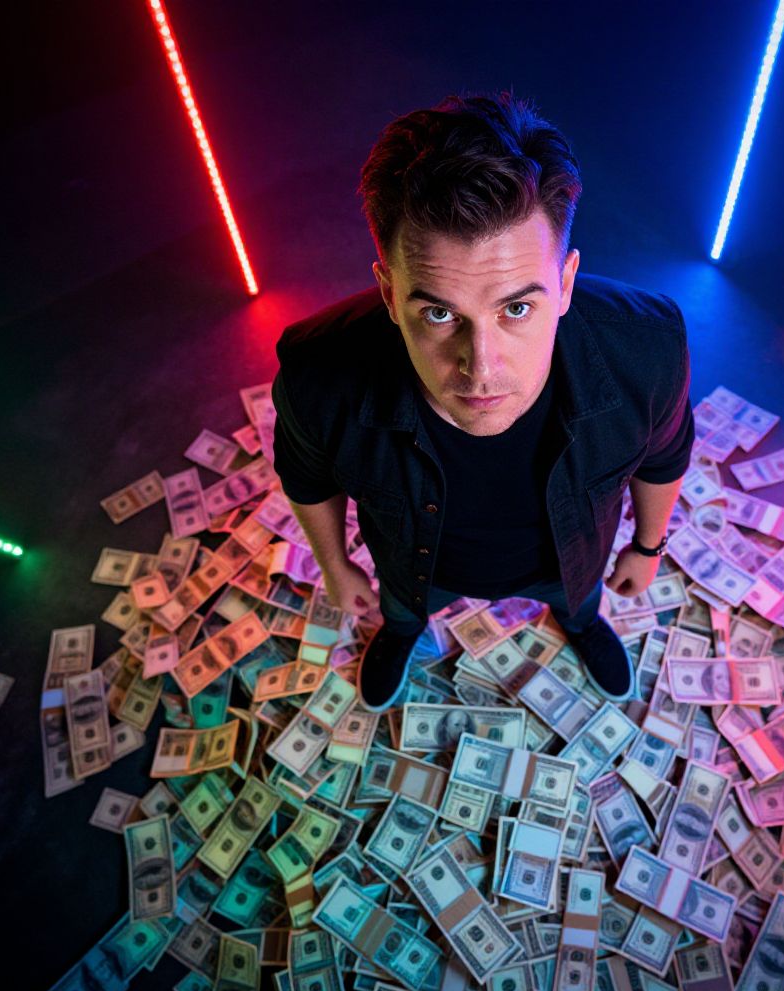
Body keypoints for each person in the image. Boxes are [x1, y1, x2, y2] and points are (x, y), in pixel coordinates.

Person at [270, 89, 694, 712]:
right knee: (402, 610)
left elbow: (663, 457)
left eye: (517, 308)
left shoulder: (647, 351)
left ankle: (579, 622)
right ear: (389, 294)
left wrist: (647, 548)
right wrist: (336, 567)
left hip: (569, 557)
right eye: (440, 313)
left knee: (578, 602)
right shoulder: (316, 373)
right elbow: (307, 479)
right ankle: (403, 631)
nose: (482, 367)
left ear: (567, 282)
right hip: (416, 568)